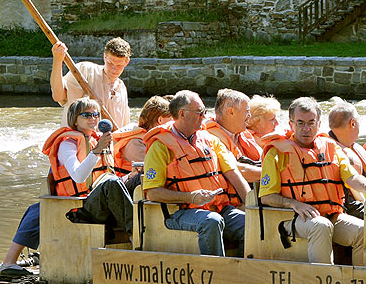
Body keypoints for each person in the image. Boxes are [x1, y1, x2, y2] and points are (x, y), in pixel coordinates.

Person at [0, 99, 137, 276]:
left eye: (96, 115)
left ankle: (144, 235)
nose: (93, 119)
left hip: (97, 200)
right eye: (87, 115)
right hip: (78, 208)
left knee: (134, 181)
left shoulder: (97, 141)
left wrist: (133, 174)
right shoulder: (68, 144)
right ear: (74, 119)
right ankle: (137, 238)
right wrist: (97, 152)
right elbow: (79, 175)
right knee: (111, 184)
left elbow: (106, 174)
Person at [259, 97, 366, 266]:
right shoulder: (276, 154)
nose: (306, 129)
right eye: (300, 123)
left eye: (311, 122)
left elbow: (351, 177)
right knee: (321, 226)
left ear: (319, 123)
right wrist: (295, 204)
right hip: (291, 219)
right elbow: (267, 196)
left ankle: (356, 282)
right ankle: (324, 283)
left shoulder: (331, 148)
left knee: (363, 230)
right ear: (291, 124)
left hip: (330, 216)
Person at [142, 90, 248, 257]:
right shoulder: (160, 146)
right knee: (211, 221)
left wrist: (252, 205)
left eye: (204, 112)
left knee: (249, 223)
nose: (204, 116)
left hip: (219, 207)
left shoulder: (210, 139)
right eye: (199, 112)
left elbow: (233, 173)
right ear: (182, 113)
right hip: (180, 212)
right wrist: (190, 197)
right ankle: (215, 273)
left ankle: (244, 273)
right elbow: (153, 193)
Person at [50, 37, 132, 130]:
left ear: (126, 62)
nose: (114, 69)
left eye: (119, 65)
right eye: (110, 63)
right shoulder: (85, 70)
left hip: (108, 143)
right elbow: (58, 96)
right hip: (78, 142)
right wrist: (57, 60)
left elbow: (124, 128)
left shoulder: (121, 89)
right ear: (104, 57)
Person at [204, 88, 262, 183]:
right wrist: (275, 174)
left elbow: (263, 157)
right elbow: (239, 171)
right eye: (247, 111)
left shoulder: (242, 134)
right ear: (231, 112)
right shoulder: (211, 136)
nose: (249, 116)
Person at [328, 100, 366, 218]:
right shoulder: (339, 153)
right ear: (353, 123)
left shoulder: (325, 146)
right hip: (347, 210)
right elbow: (356, 197)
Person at [112, 96, 172, 176]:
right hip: (132, 186)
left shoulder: (149, 138)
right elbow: (157, 168)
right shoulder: (135, 143)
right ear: (160, 120)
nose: (173, 124)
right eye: (171, 119)